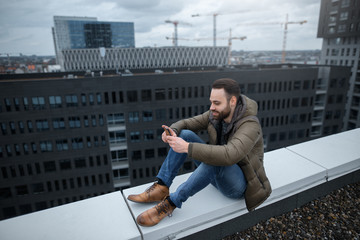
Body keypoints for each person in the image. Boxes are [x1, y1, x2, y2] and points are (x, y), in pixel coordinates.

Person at [127, 78, 271, 227]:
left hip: (240, 185)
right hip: (217, 172)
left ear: (232, 101)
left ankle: (171, 203)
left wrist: (187, 148)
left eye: (217, 103)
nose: (212, 107)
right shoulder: (216, 114)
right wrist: (173, 131)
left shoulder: (250, 125)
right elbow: (187, 123)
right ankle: (161, 186)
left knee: (217, 160)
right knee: (185, 134)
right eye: (211, 102)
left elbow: (230, 155)